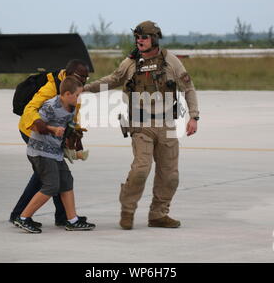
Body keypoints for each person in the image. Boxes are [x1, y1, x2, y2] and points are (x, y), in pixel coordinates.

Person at [83, 21, 200, 230]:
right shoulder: (130, 63)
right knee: (140, 170)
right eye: (137, 37)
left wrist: (194, 116)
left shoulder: (170, 61)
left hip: (167, 124)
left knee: (170, 175)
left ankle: (158, 214)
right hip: (140, 124)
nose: (139, 41)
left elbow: (188, 88)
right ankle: (127, 211)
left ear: (154, 39)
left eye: (144, 37)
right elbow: (112, 80)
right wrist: (85, 89)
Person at [9, 59, 90, 227]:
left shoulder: (73, 88)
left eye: (86, 78)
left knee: (58, 174)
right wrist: (41, 124)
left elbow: (72, 114)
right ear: (69, 74)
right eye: (81, 76)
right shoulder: (52, 87)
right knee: (46, 175)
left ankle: (65, 216)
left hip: (54, 135)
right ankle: (20, 215)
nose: (83, 80)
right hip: (32, 130)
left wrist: (76, 134)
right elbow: (30, 108)